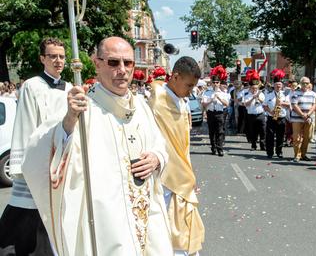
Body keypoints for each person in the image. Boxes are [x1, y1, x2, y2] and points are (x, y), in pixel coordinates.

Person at [21, 36, 173, 255]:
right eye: (113, 62)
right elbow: (40, 153)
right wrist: (70, 120)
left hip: (147, 212)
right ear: (97, 63)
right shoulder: (84, 108)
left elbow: (159, 143)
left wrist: (157, 158)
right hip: (107, 221)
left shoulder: (141, 105)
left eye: (128, 62)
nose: (122, 69)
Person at [0, 38, 70, 256]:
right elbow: (27, 125)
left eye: (61, 56)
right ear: (42, 59)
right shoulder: (32, 86)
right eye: (52, 56)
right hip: (40, 159)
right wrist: (27, 164)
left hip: (62, 159)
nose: (58, 61)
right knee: (30, 212)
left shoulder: (69, 88)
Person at [148, 56, 205, 255]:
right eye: (189, 85)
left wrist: (188, 170)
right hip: (165, 175)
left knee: (182, 225)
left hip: (181, 169)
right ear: (175, 77)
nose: (191, 91)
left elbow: (182, 144)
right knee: (166, 228)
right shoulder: (157, 102)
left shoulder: (182, 100)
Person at [202, 65, 229, 156]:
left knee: (220, 131)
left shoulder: (223, 93)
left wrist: (219, 99)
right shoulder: (207, 92)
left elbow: (226, 104)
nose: (216, 84)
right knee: (212, 132)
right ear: (212, 83)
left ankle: (220, 148)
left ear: (219, 83)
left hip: (220, 113)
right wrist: (211, 100)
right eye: (214, 82)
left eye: (217, 82)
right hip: (211, 113)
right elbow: (203, 103)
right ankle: (213, 147)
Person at [263, 69, 289, 158]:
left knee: (280, 136)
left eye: (280, 85)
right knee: (270, 136)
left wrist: (282, 103)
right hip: (271, 117)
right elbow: (265, 106)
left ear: (282, 86)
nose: (278, 86)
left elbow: (289, 105)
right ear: (273, 85)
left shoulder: (285, 94)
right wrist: (271, 112)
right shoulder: (269, 95)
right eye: (277, 85)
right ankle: (270, 152)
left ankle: (279, 152)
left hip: (281, 118)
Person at [290, 76, 316, 162]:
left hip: (308, 118)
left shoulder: (313, 94)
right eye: (303, 83)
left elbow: (314, 105)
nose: (305, 84)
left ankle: (303, 154)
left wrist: (308, 114)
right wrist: (302, 115)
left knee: (307, 137)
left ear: (309, 84)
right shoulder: (295, 93)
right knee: (297, 137)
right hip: (297, 118)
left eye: (307, 83)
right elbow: (294, 105)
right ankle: (297, 155)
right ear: (300, 84)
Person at [243, 70, 266, 151]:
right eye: (253, 88)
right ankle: (253, 145)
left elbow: (264, 102)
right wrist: (253, 97)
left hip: (260, 114)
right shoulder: (247, 94)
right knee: (253, 131)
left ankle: (263, 145)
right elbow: (246, 104)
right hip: (251, 115)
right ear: (250, 87)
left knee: (262, 130)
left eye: (256, 88)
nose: (254, 90)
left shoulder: (261, 93)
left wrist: (258, 97)